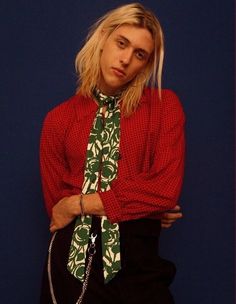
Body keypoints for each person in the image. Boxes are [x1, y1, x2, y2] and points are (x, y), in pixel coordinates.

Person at [39, 3, 185, 304]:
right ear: (104, 38)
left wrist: (82, 202)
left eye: (140, 54)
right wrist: (138, 201)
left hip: (138, 260)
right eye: (122, 43)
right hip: (72, 263)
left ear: (146, 65)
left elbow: (163, 190)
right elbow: (57, 209)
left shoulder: (164, 107)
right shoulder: (59, 119)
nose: (126, 59)